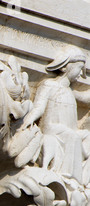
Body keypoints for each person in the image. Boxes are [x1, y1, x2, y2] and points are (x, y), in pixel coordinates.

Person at [21, 45, 90, 183]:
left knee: (87, 135)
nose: (81, 74)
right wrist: (27, 121)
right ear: (65, 67)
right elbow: (39, 108)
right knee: (73, 137)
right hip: (52, 129)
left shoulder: (70, 91)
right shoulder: (49, 85)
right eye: (78, 68)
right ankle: (68, 176)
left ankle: (84, 179)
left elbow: (86, 98)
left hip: (68, 130)